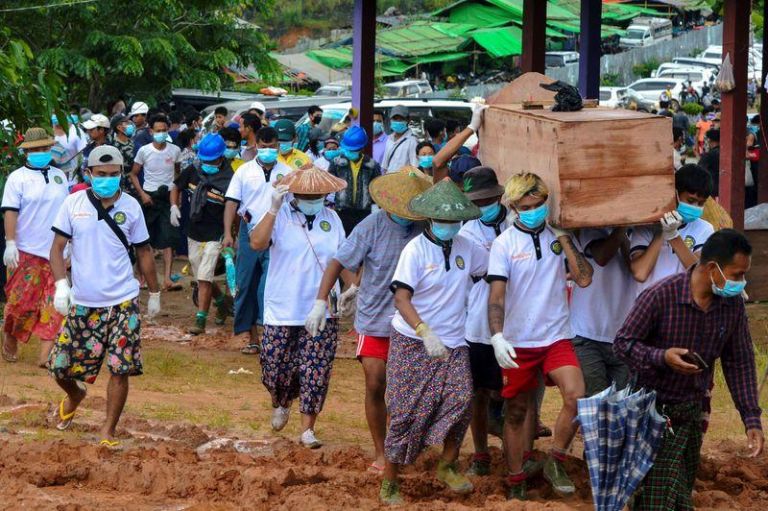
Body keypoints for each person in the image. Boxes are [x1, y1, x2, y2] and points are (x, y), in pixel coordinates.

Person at [614, 229, 763, 510]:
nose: (740, 282)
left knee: (681, 495)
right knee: (655, 501)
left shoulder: (731, 307)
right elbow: (622, 344)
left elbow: (740, 362)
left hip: (692, 414)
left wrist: (751, 418)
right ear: (711, 268)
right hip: (651, 413)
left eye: (744, 275)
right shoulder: (660, 295)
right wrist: (662, 356)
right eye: (736, 275)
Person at [306, 167, 431, 474]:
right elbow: (339, 261)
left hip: (414, 322)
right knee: (376, 383)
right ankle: (381, 450)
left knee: (406, 390)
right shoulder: (372, 225)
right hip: (375, 317)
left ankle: (402, 445)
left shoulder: (426, 228)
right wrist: (322, 302)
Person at [380, 178, 486, 505]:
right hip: (413, 340)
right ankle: (390, 481)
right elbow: (401, 298)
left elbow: (492, 271)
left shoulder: (468, 248)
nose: (448, 227)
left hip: (454, 341)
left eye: (454, 222)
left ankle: (448, 463)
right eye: (443, 222)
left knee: (462, 398)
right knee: (402, 411)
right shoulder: (415, 250)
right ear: (430, 219)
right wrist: (424, 330)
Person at [487, 172, 592, 500]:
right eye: (527, 205)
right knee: (517, 412)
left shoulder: (556, 236)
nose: (534, 209)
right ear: (515, 206)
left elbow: (584, 278)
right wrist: (498, 336)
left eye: (539, 203)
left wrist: (564, 238)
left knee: (576, 396)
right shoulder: (504, 243)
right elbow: (497, 297)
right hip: (518, 341)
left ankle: (555, 460)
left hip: (557, 336)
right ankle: (516, 479)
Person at [48, 145, 161, 447]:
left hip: (123, 300)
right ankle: (75, 394)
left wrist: (154, 292)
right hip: (84, 301)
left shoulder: (132, 207)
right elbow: (57, 248)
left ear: (122, 174)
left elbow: (144, 251)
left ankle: (107, 432)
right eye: (101, 175)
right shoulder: (72, 204)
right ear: (89, 174)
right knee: (59, 366)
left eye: (113, 175)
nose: (107, 180)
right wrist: (61, 284)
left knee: (120, 368)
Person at [249, 166, 347, 448]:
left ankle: (308, 429)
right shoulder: (279, 216)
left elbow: (343, 259)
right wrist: (272, 209)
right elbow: (257, 243)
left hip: (321, 308)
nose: (312, 198)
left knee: (315, 368)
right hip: (282, 306)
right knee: (275, 363)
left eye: (317, 194)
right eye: (306, 194)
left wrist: (353, 289)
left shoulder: (333, 219)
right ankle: (280, 401)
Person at [456, 166, 509, 476]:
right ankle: (480, 453)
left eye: (487, 199)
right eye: (477, 201)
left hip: (517, 323)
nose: (483, 205)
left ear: (499, 195)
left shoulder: (517, 224)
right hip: (477, 324)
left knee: (512, 391)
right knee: (477, 392)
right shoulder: (466, 232)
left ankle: (517, 450)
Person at [1, 128, 69, 365]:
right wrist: (10, 243)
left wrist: (69, 245)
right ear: (27, 152)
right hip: (26, 251)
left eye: (44, 148)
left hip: (55, 252)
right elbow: (10, 211)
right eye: (35, 149)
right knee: (21, 303)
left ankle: (46, 354)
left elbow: (66, 212)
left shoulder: (60, 177)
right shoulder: (17, 178)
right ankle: (10, 337)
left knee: (56, 303)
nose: (41, 152)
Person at [223, 127, 292, 355]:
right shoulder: (244, 171)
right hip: (248, 229)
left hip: (278, 233)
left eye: (272, 147)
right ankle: (252, 338)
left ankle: (271, 337)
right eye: (263, 147)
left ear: (278, 147)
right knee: (246, 284)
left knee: (270, 286)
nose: (268, 151)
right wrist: (228, 234)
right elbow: (232, 203)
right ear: (257, 146)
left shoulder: (288, 172)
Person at [171, 134, 233, 335]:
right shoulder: (194, 170)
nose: (207, 164)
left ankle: (200, 320)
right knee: (201, 277)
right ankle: (222, 302)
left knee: (205, 276)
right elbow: (176, 186)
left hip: (215, 234)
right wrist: (174, 205)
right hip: (194, 231)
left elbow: (233, 209)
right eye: (205, 160)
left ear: (221, 157)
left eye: (211, 160)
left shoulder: (230, 178)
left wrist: (229, 234)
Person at [630, 164, 714, 296]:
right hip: (651, 308)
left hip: (682, 309)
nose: (695, 207)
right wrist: (661, 233)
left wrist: (673, 236)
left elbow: (699, 273)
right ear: (674, 193)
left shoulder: (704, 229)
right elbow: (640, 273)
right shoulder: (645, 228)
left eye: (701, 203)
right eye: (690, 201)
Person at [570, 228, 633, 397]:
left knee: (622, 407)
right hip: (586, 333)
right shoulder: (590, 226)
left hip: (625, 336)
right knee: (594, 406)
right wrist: (623, 226)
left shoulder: (642, 232)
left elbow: (637, 270)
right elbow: (602, 257)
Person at [130, 114, 182, 291]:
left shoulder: (175, 151)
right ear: (151, 131)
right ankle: (142, 277)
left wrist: (176, 199)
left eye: (164, 130)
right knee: (144, 239)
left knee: (169, 238)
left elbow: (177, 175)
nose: (161, 133)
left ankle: (167, 278)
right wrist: (142, 194)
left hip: (167, 197)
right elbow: (133, 174)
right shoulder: (144, 151)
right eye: (158, 130)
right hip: (149, 197)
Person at [329, 126, 381, 234]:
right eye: (349, 149)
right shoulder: (336, 163)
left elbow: (377, 190)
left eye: (354, 150)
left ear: (361, 148)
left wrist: (376, 209)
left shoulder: (372, 165)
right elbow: (329, 185)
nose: (350, 152)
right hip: (342, 212)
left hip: (364, 213)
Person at [50, 113, 87, 185]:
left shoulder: (76, 132)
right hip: (51, 178)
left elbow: (83, 156)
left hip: (71, 179)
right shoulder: (48, 131)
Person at [381, 105, 418, 173]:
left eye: (401, 119)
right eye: (395, 119)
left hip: (404, 181)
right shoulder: (389, 139)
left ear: (408, 120)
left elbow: (414, 168)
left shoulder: (412, 141)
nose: (398, 121)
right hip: (388, 180)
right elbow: (385, 166)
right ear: (390, 120)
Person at [108, 113, 138, 198]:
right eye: (127, 123)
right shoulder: (112, 146)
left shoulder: (133, 143)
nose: (130, 124)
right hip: (121, 189)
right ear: (119, 128)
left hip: (135, 187)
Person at [697, 129, 720, 198]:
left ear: (709, 140)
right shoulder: (724, 152)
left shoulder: (709, 155)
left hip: (712, 190)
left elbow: (699, 170)